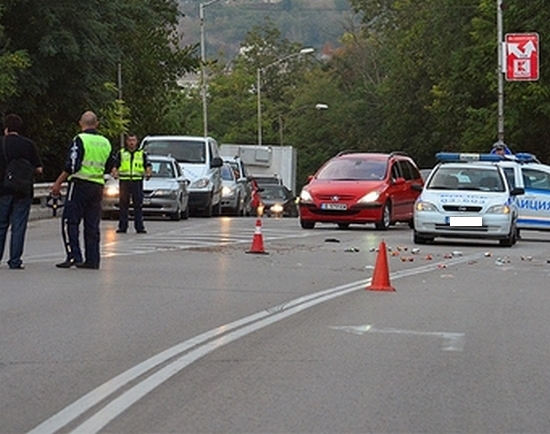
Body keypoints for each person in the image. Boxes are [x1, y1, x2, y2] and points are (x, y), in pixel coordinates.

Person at [51, 111, 114, 270]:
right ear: (97, 124)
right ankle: (92, 260)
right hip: (97, 186)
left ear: (81, 123)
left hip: (79, 184)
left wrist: (58, 182)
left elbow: (72, 166)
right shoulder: (105, 142)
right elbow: (110, 165)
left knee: (70, 221)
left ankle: (74, 256)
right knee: (92, 224)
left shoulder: (79, 139)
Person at [0, 114, 43, 269]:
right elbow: (39, 168)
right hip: (23, 190)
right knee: (18, 225)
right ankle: (15, 260)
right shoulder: (28, 144)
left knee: (1, 224)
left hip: (3, 190)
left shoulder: (2, 143)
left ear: (6, 129)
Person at [111, 133, 152, 233]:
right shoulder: (121, 153)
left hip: (137, 181)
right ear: (126, 142)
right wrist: (115, 173)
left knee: (138, 205)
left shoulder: (142, 153)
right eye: (130, 140)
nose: (131, 143)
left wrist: (148, 173)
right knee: (123, 205)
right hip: (124, 181)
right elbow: (115, 165)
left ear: (137, 142)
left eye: (133, 140)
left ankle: (139, 227)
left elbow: (148, 165)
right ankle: (122, 227)